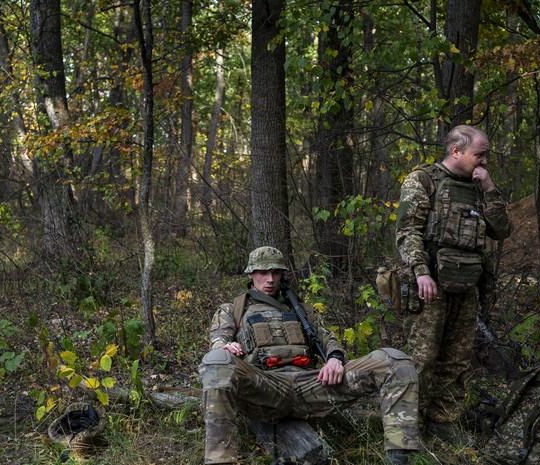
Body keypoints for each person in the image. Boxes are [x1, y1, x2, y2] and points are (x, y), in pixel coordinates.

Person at [199, 246, 421, 465]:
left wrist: (334, 358)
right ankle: (221, 460)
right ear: (250, 274)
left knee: (394, 361)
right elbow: (218, 341)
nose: (270, 279)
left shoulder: (302, 311)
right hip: (264, 387)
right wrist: (225, 348)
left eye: (275, 272)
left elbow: (329, 340)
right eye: (263, 273)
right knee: (216, 362)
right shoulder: (232, 310)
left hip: (310, 386)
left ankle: (398, 457)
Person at [395, 125, 512, 443]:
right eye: (480, 155)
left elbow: (501, 230)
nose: (484, 162)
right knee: (422, 359)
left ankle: (442, 423)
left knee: (457, 359)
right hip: (429, 285)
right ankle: (407, 428)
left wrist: (489, 189)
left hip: (466, 285)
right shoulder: (423, 180)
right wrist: (421, 272)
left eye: (486, 156)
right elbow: (407, 232)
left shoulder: (478, 185)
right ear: (456, 151)